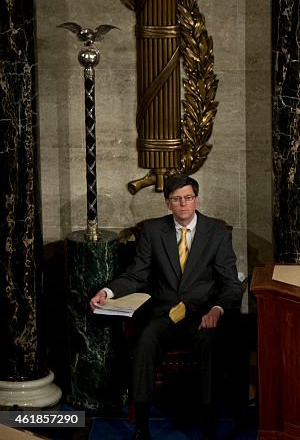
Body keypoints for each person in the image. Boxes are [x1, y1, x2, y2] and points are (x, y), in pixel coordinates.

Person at [89, 174, 243, 440]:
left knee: (209, 342)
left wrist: (217, 309)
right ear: (167, 203)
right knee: (145, 341)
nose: (183, 204)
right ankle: (142, 425)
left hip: (201, 314)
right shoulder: (152, 231)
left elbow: (231, 284)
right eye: (176, 199)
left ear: (196, 199)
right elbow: (136, 275)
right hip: (165, 315)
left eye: (188, 198)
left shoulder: (216, 233)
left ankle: (208, 422)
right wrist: (107, 291)